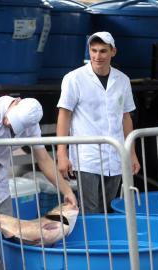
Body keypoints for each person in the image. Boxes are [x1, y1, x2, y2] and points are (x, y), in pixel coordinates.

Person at [0, 96, 78, 270]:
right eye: (8, 121)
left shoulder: (31, 123)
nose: (7, 124)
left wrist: (67, 191)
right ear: (16, 101)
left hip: (0, 186)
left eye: (14, 128)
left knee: (8, 241)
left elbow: (43, 159)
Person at [57, 31, 140, 213]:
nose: (97, 56)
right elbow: (64, 115)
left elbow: (126, 117)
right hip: (88, 157)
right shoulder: (74, 78)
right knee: (91, 209)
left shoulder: (123, 80)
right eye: (93, 50)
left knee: (110, 208)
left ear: (113, 52)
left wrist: (131, 153)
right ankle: (92, 241)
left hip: (115, 156)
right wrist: (62, 154)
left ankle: (107, 242)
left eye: (103, 51)